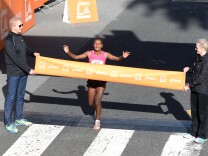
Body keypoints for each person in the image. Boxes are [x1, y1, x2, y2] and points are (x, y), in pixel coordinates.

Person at [63, 38, 130, 130]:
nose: (97, 45)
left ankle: (97, 121)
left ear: (102, 45)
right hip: (91, 82)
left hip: (101, 82)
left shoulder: (105, 54)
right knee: (91, 103)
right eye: (95, 44)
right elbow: (76, 57)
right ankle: (98, 107)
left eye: (99, 44)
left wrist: (122, 57)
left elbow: (116, 59)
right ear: (93, 45)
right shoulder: (89, 53)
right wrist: (68, 52)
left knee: (98, 101)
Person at [4, 16, 40, 133]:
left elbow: (26, 49)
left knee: (20, 96)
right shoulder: (9, 40)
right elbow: (15, 59)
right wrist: (29, 69)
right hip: (14, 73)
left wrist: (33, 53)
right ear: (13, 26)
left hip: (23, 73)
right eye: (20, 25)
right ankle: (8, 123)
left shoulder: (20, 38)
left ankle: (19, 118)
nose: (22, 27)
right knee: (10, 98)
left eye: (22, 24)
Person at [183, 39, 208, 144]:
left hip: (203, 91)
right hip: (195, 89)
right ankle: (194, 132)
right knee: (194, 111)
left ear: (202, 48)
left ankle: (203, 135)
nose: (195, 49)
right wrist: (189, 68)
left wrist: (189, 85)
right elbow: (196, 70)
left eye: (196, 47)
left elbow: (201, 77)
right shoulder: (198, 58)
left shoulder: (206, 60)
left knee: (202, 113)